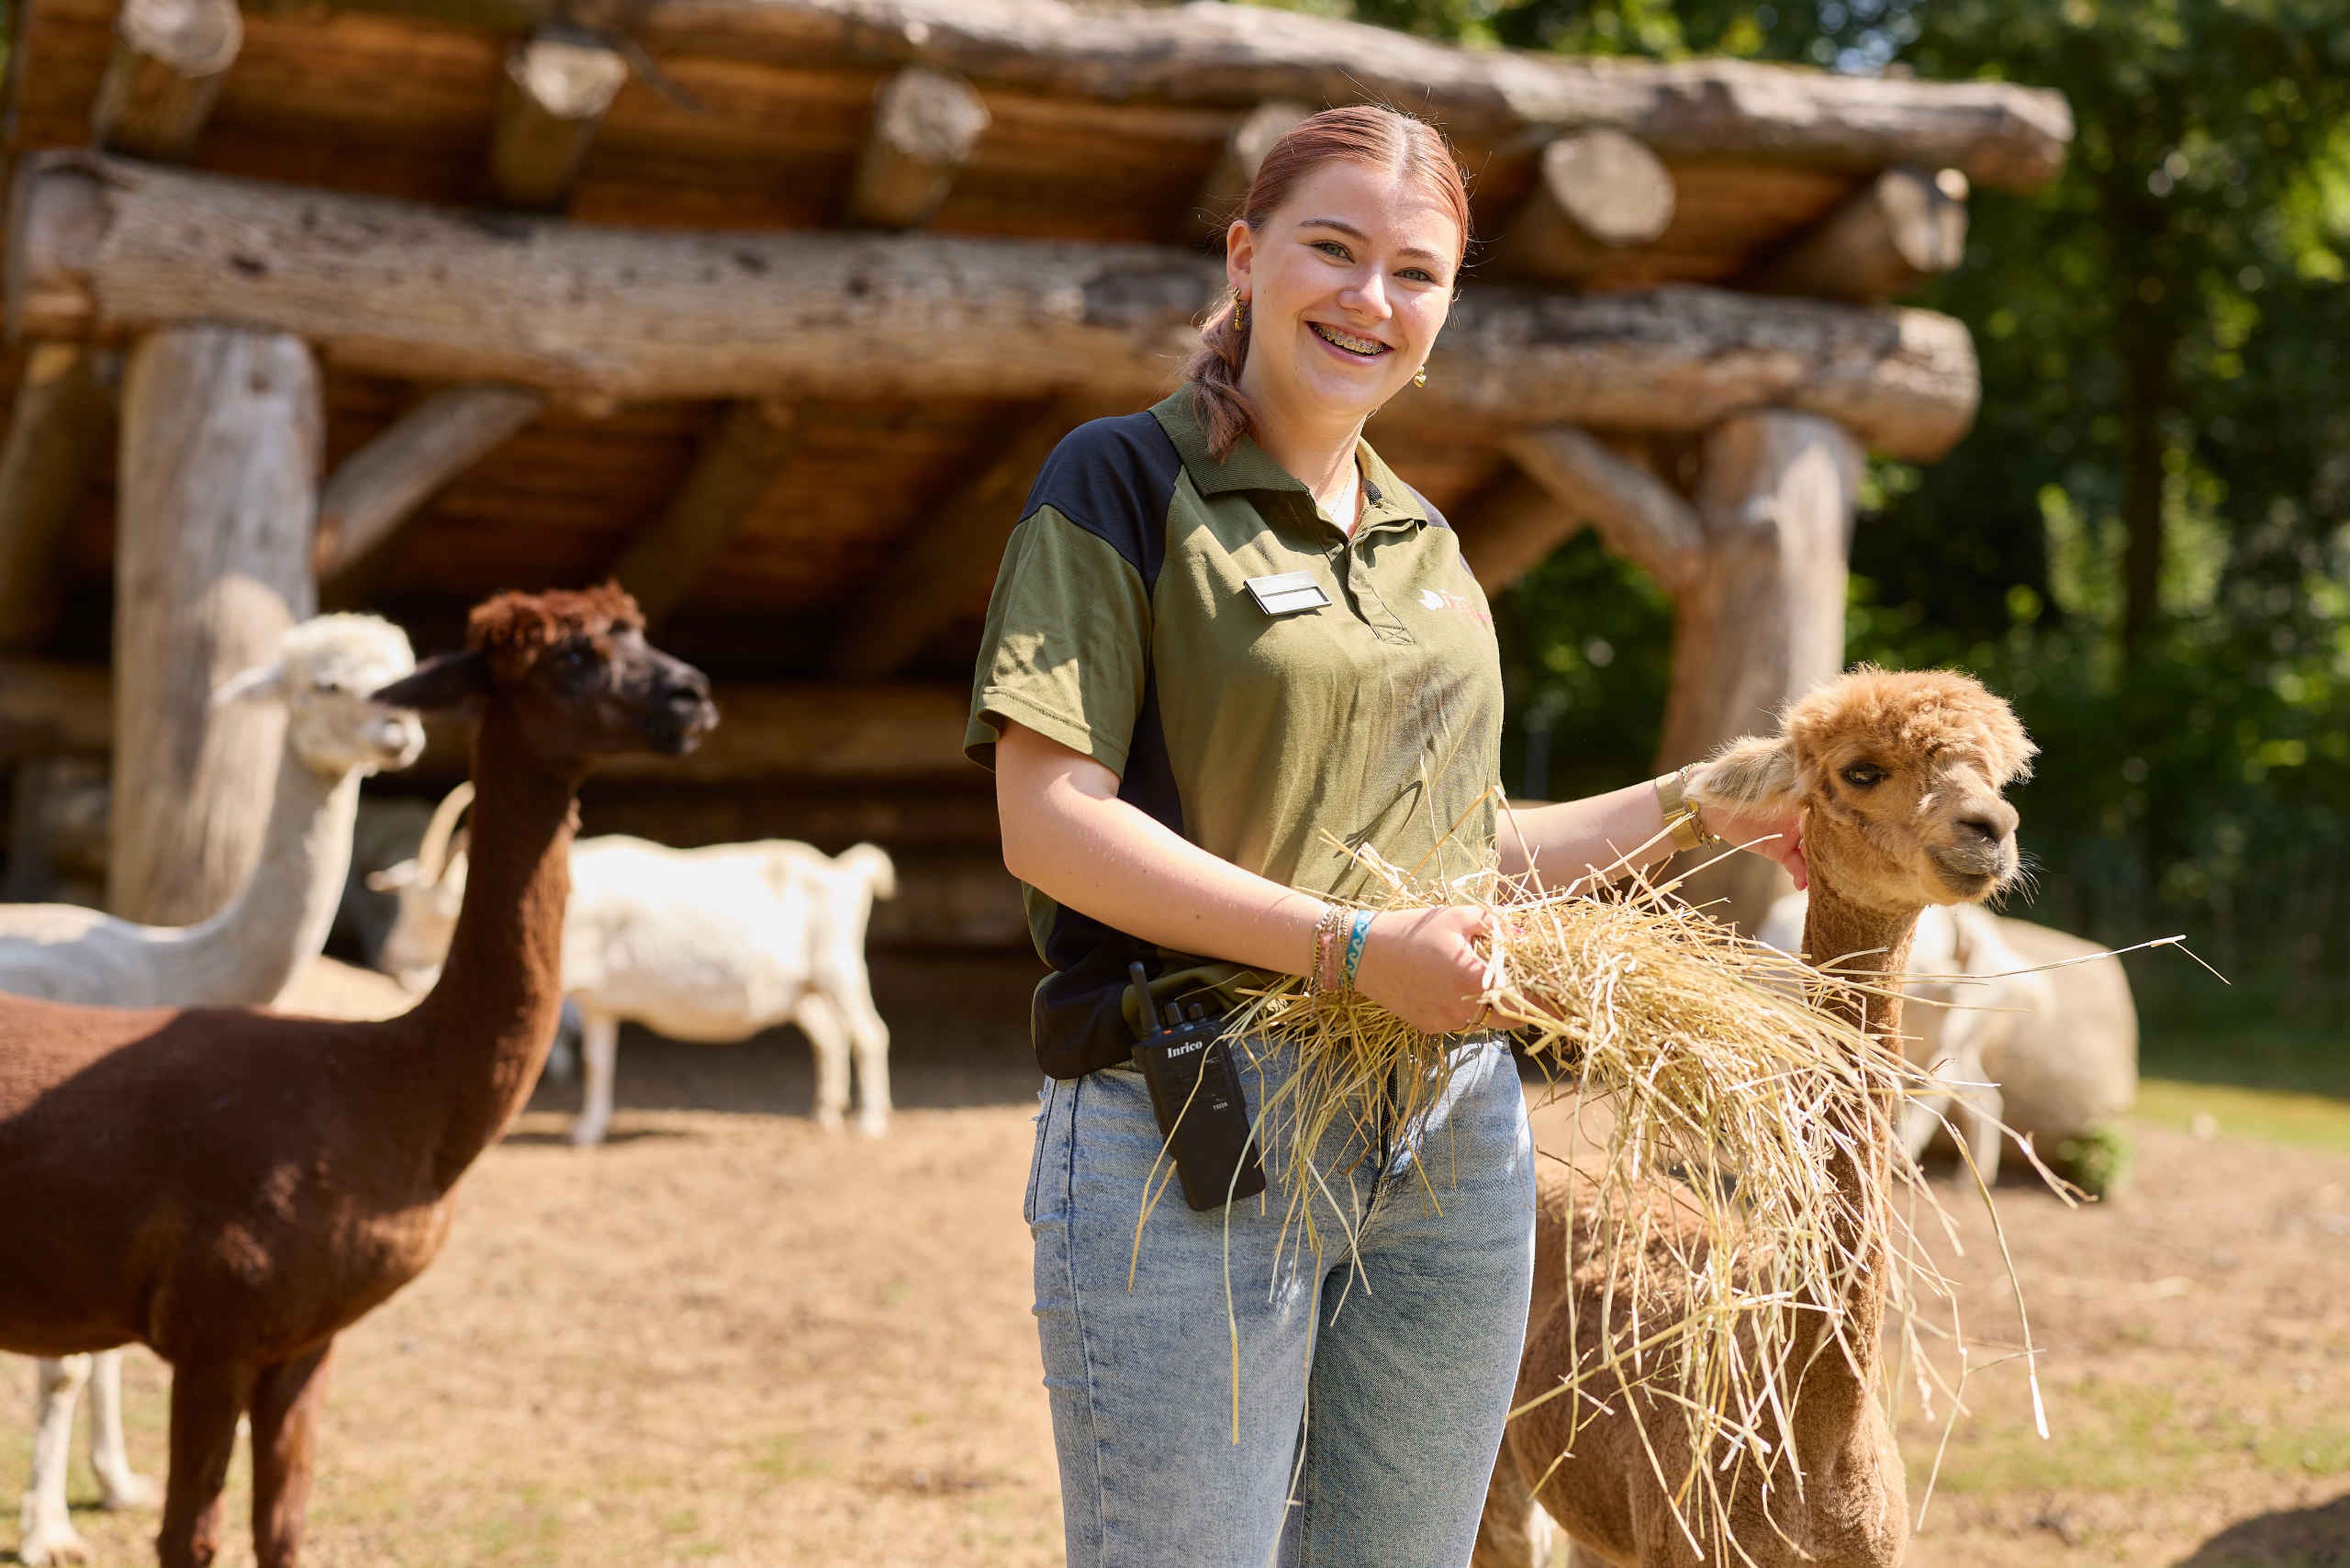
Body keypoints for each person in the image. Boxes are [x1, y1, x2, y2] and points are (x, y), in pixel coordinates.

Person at [964, 105, 1804, 1568]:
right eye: (1333, 252)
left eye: (1415, 273)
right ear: (1246, 257)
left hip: (1451, 1138)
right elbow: (1048, 820)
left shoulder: (1431, 549)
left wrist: (1690, 803)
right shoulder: (1117, 485)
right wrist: (1353, 954)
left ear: (1447, 309)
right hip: (1193, 1125)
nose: (1371, 300)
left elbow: (1464, 855)